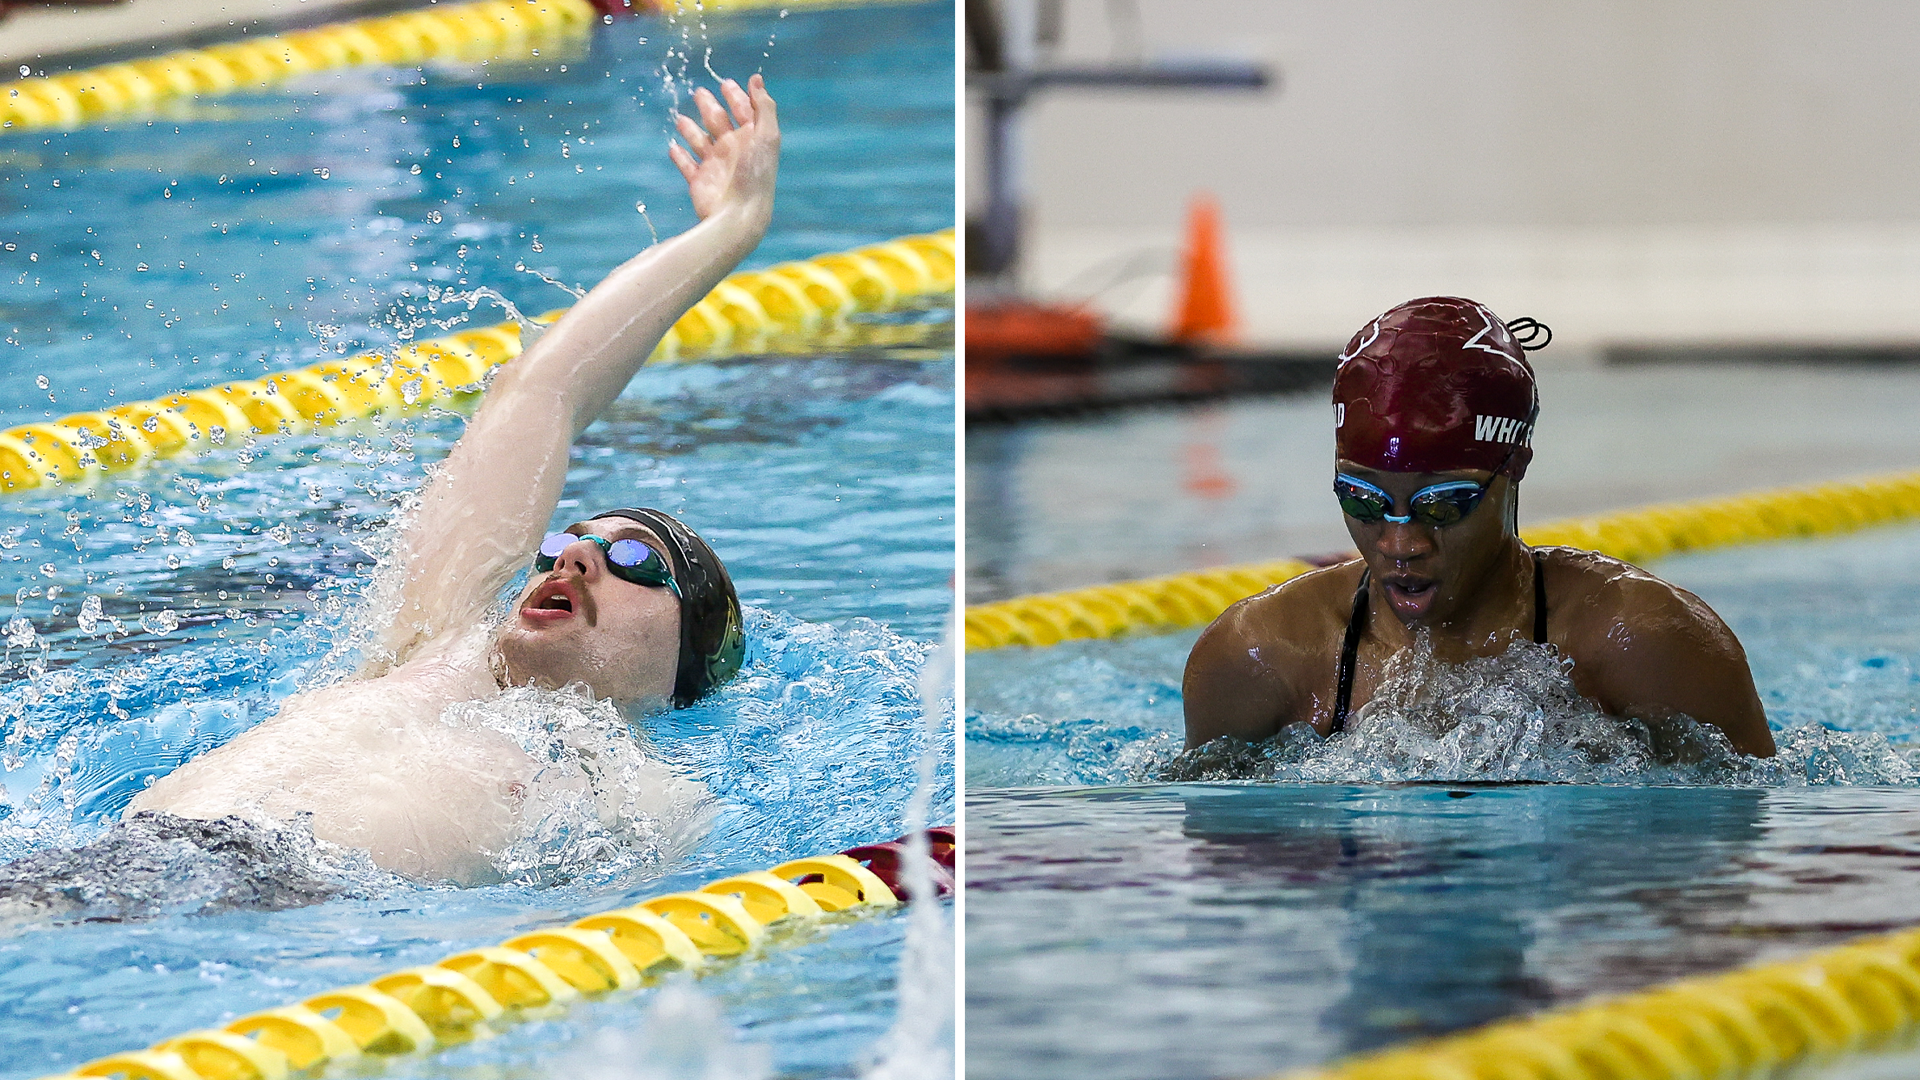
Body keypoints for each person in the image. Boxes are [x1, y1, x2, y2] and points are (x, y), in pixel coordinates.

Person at [125, 75, 782, 883]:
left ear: (688, 659)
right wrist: (729, 230)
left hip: (265, 924)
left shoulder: (646, 802)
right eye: (562, 545)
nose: (574, 560)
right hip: (118, 865)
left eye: (636, 562)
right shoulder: (433, 641)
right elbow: (543, 391)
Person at [1182, 296, 1776, 760]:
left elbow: (1744, 850)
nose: (1399, 543)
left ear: (1513, 467)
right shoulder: (1258, 659)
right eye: (1363, 501)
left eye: (1442, 504)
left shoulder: (1648, 643)